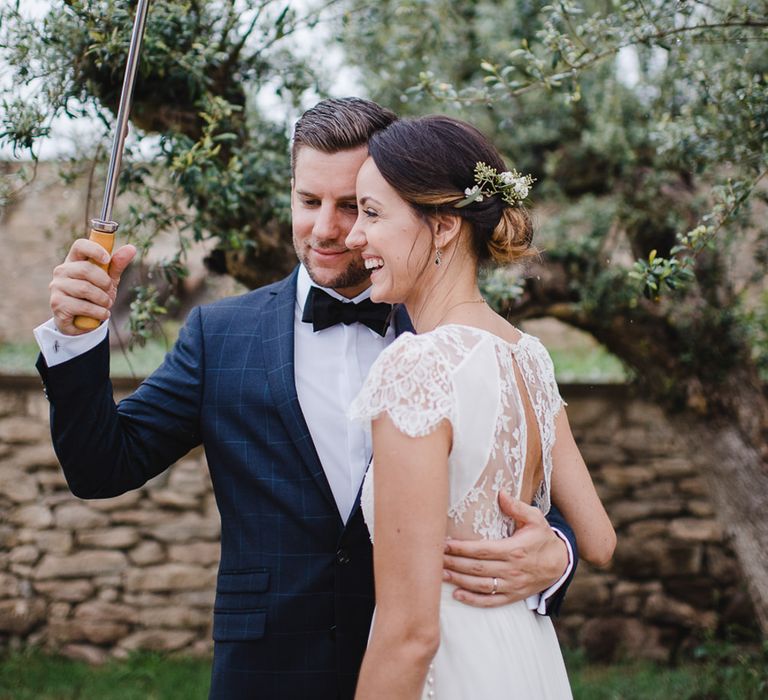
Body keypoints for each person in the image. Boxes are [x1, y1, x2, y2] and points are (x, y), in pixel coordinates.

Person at [34, 98, 580, 700]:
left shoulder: (455, 340)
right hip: (267, 671)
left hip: (433, 669)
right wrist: (77, 338)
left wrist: (557, 555)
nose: (324, 228)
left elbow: (517, 483)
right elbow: (99, 467)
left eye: (352, 206)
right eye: (307, 201)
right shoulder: (221, 336)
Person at [345, 115, 616, 699]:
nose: (352, 237)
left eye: (371, 213)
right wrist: (550, 551)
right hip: (526, 657)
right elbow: (597, 539)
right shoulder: (532, 358)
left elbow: (410, 632)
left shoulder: (418, 367)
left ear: (442, 227)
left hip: (453, 668)